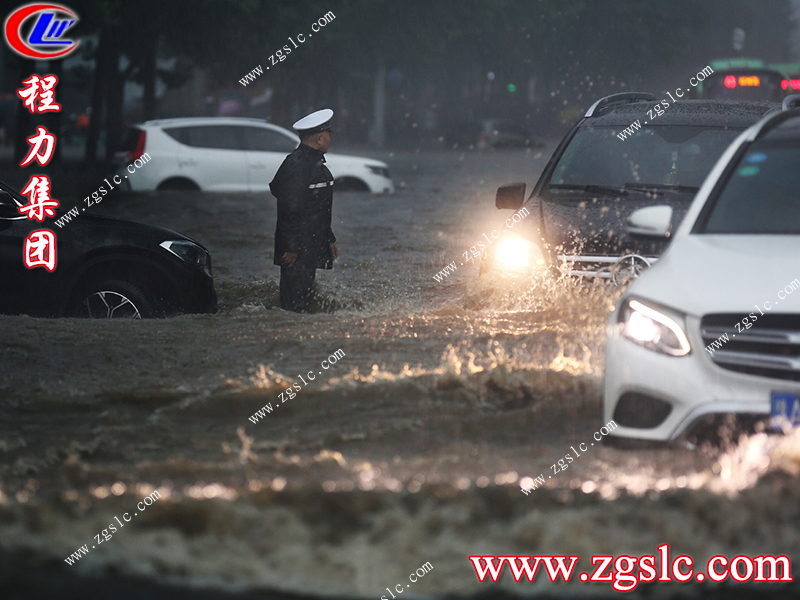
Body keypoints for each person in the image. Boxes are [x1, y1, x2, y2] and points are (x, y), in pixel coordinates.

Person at [269, 108, 338, 312]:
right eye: (327, 135)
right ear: (318, 138)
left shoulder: (313, 163)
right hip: (297, 249)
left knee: (303, 301)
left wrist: (329, 238)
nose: (329, 140)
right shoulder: (297, 164)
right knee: (294, 307)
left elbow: (318, 208)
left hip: (308, 245)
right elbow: (289, 207)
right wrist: (290, 246)